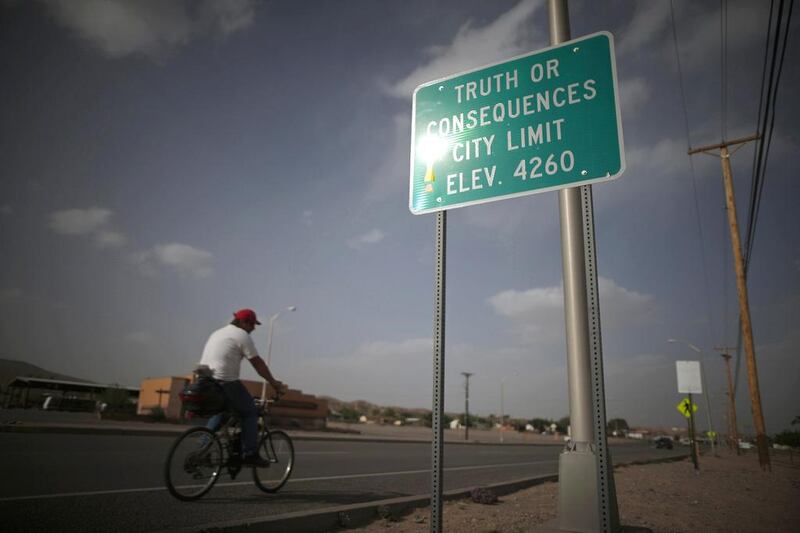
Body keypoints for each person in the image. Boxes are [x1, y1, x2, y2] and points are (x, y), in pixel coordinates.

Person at [199, 308, 288, 467]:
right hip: (224, 381)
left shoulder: (218, 332)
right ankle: (250, 454)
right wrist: (275, 384)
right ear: (244, 322)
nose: (254, 328)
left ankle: (201, 451)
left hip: (205, 381)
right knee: (250, 413)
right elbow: (258, 364)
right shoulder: (241, 335)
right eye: (252, 324)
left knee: (220, 414)